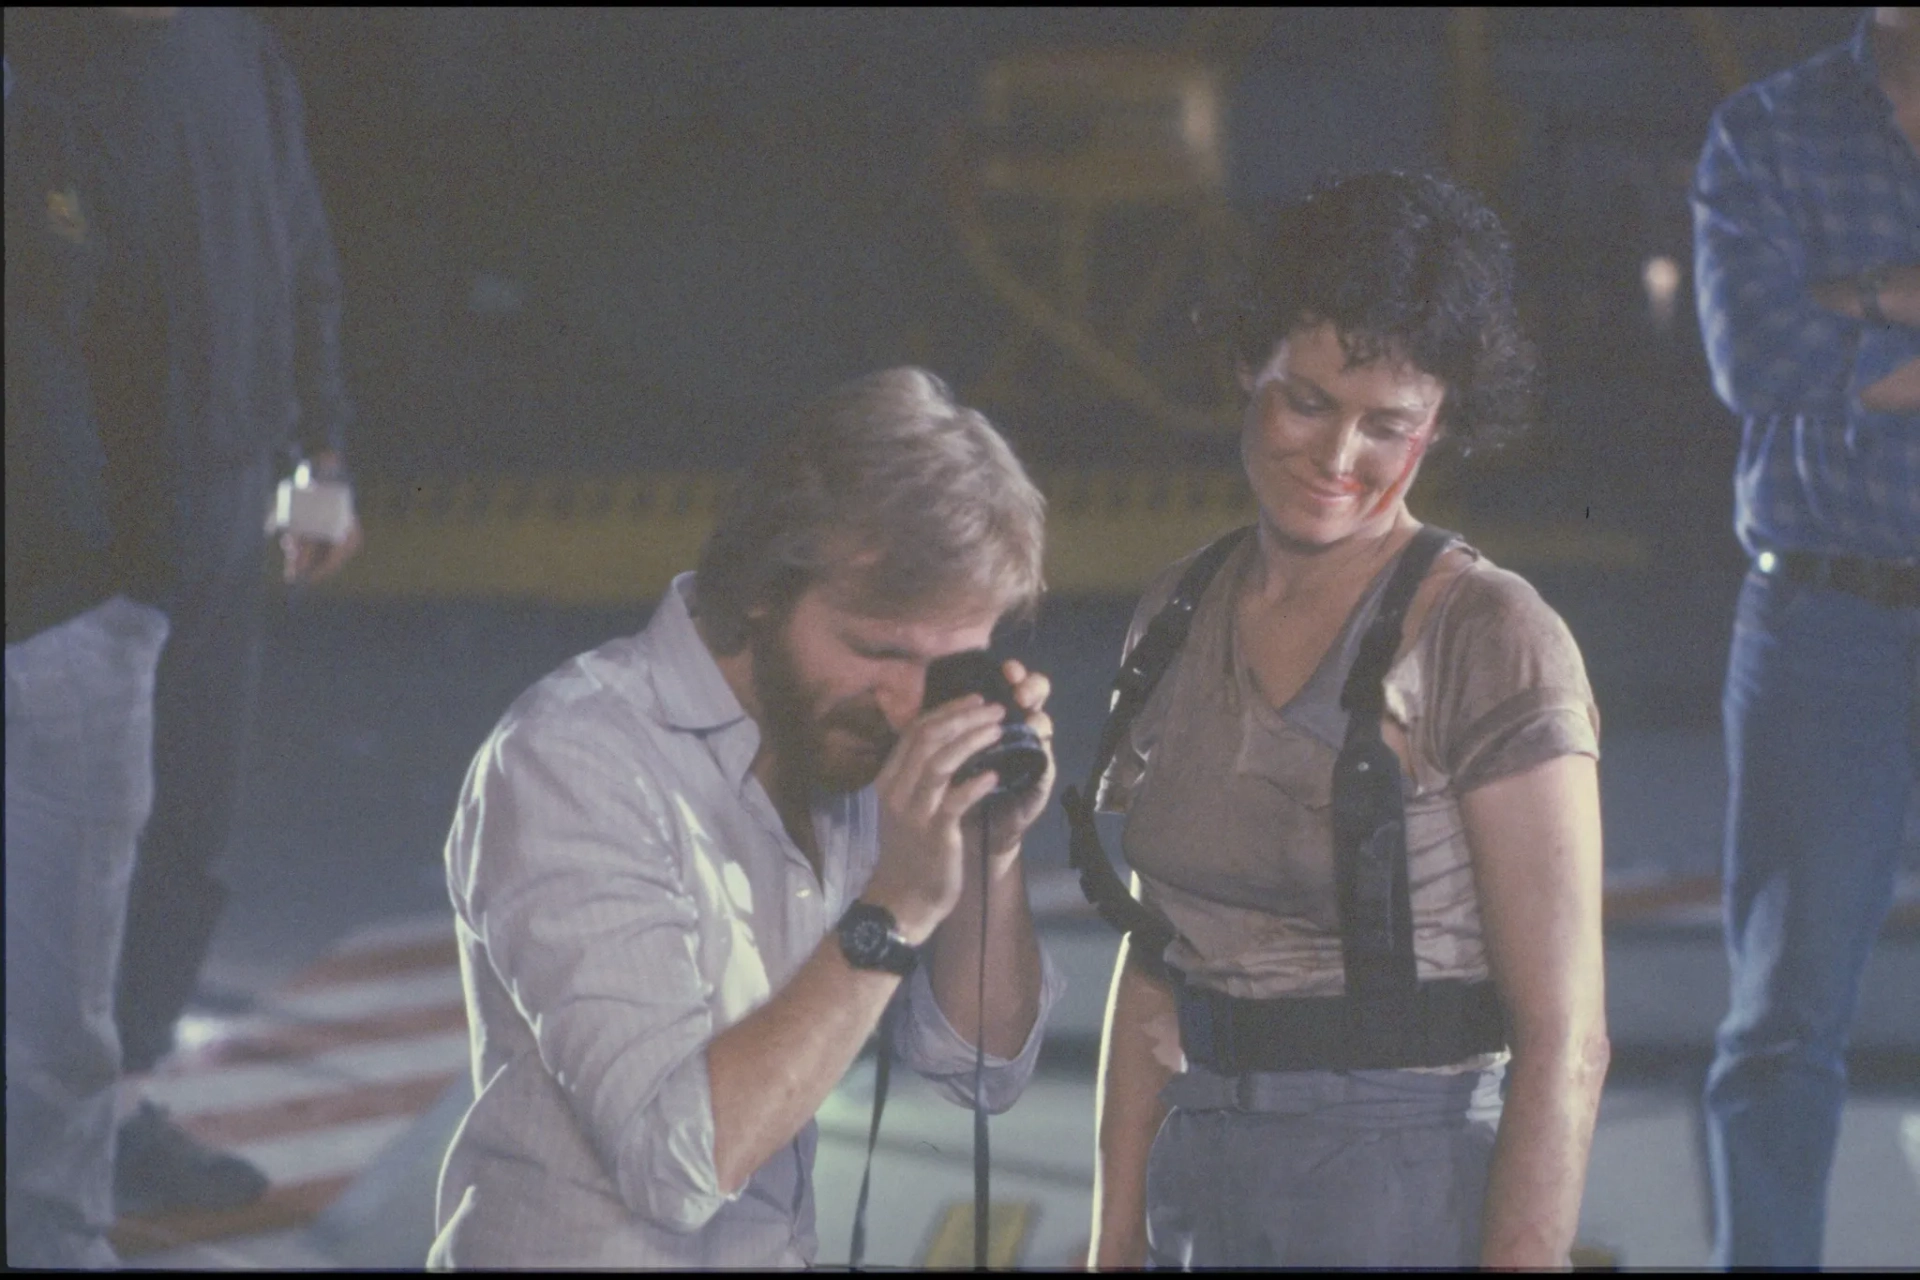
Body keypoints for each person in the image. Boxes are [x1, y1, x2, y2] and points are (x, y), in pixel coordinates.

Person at [1084, 172, 1609, 1269]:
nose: (1337, 459)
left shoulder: (1490, 634)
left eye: (1389, 425)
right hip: (1203, 1173)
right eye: (1307, 400)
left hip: (1406, 1184)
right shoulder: (1175, 614)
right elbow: (1154, 965)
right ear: (1246, 365)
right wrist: (1114, 1237)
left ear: (1441, 425)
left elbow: (1567, 1037)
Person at [428, 368, 1065, 1268]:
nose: (906, 705)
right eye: (877, 649)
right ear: (764, 586)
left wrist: (983, 854)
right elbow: (677, 1164)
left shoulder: (847, 740)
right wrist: (892, 912)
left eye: (950, 664)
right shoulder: (575, 758)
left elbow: (983, 1069)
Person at [4, 6, 366, 1216]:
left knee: (182, 836)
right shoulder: (41, 61)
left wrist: (321, 449)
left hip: (220, 505)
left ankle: (115, 1113)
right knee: (62, 865)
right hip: (81, 542)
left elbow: (298, 237)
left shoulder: (235, 44)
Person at [1691, 7, 1920, 1268]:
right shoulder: (1766, 133)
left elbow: (1808, 341)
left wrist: (1861, 296)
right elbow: (1756, 352)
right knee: (1783, 1019)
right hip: (1821, 619)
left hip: (1822, 612)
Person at [4, 54, 172, 1268]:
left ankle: (57, 1237)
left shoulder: (52, 121)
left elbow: (145, 336)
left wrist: (143, 584)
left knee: (66, 1004)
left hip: (71, 617)